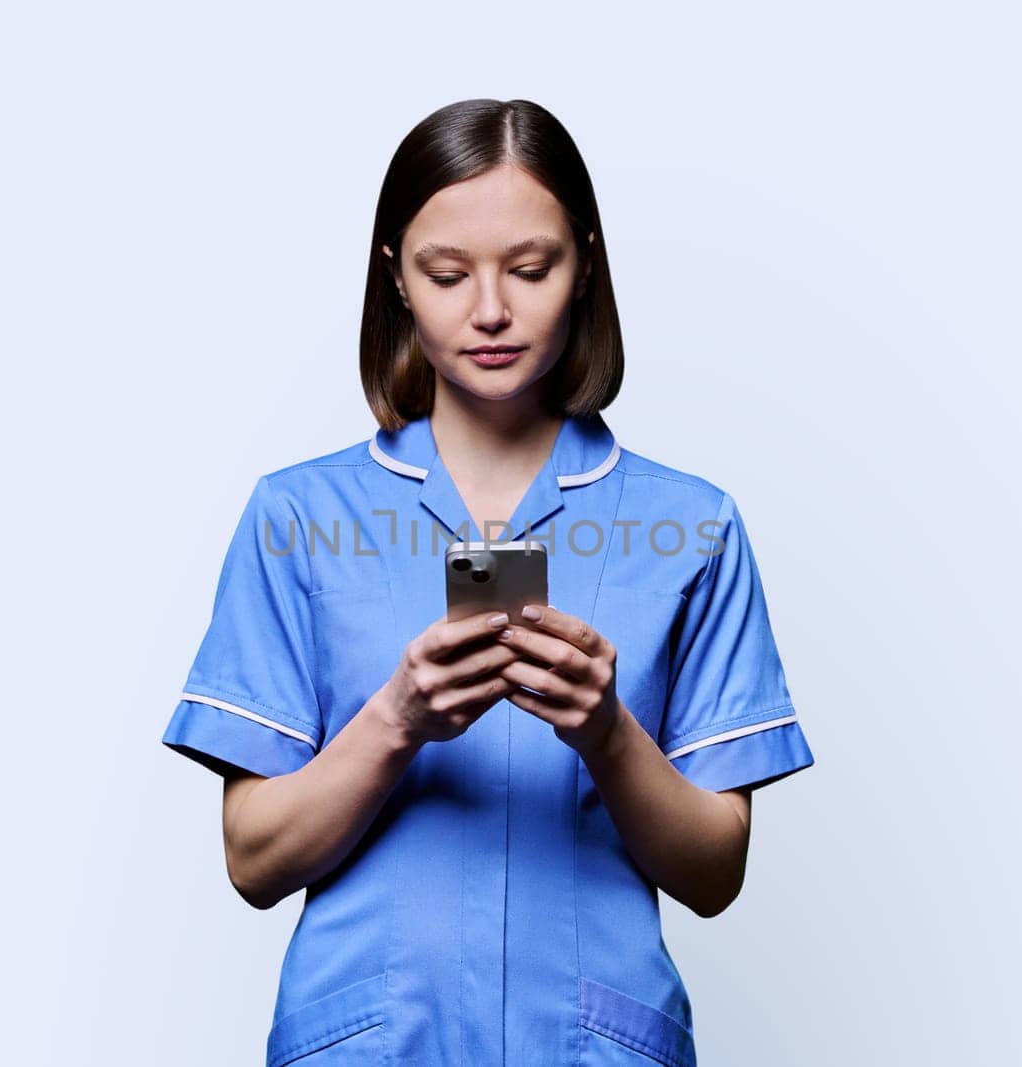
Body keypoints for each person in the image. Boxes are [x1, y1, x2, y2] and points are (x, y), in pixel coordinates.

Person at [161, 98, 816, 1067]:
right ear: (396, 278)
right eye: (446, 273)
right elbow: (252, 859)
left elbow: (714, 871)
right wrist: (395, 719)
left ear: (584, 262)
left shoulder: (692, 527)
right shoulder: (297, 516)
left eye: (530, 266)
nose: (491, 309)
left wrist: (605, 730)